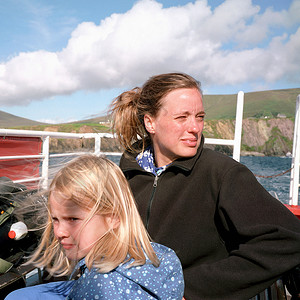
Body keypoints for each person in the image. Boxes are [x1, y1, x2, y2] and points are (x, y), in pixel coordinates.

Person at [109, 72, 300, 300]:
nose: (195, 127)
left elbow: (288, 239)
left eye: (199, 117)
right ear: (150, 122)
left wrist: (189, 290)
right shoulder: (124, 175)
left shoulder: (222, 174)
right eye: (182, 117)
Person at [5, 154, 184, 299]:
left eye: (73, 219)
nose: (59, 232)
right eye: (56, 219)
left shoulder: (100, 286)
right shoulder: (163, 256)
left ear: (113, 217)